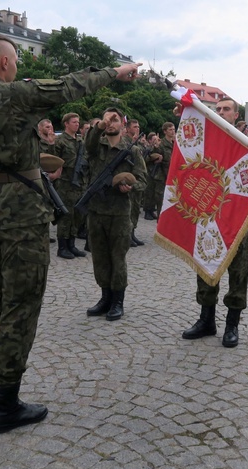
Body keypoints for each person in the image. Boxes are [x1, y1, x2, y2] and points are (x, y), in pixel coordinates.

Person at [0, 33, 141, 433]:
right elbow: (69, 85)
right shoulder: (12, 95)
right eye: (17, 60)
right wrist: (114, 72)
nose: (18, 67)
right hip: (21, 211)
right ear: (5, 64)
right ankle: (5, 403)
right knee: (20, 305)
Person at [181, 98, 248, 349]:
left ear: (236, 115)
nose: (220, 112)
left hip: (236, 218)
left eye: (226, 109)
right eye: (217, 109)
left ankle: (232, 324)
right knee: (206, 267)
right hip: (208, 216)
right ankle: (206, 320)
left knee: (238, 273)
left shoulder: (247, 144)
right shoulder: (205, 142)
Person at [84, 107, 146, 321]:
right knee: (100, 257)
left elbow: (142, 180)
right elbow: (88, 142)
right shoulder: (96, 146)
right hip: (96, 211)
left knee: (117, 258)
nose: (111, 123)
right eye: (107, 120)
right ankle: (105, 297)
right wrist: (100, 123)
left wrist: (130, 186)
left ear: (123, 125)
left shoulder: (132, 150)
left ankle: (118, 301)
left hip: (119, 213)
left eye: (115, 119)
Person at [54, 112, 88, 259]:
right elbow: (54, 160)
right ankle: (62, 247)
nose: (77, 124)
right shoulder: (60, 141)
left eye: (78, 121)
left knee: (77, 215)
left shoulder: (80, 141)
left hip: (79, 183)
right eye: (74, 122)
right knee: (66, 216)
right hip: (65, 183)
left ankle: (72, 245)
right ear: (66, 124)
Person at [146, 122, 174, 220]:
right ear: (165, 131)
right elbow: (151, 157)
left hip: (172, 177)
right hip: (162, 177)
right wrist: (156, 149)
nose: (173, 131)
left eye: (173, 129)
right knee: (161, 204)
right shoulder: (161, 144)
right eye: (170, 129)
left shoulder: (175, 143)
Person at [124, 118, 146, 246]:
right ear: (127, 129)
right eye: (134, 127)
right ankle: (128, 234)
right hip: (129, 179)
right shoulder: (126, 143)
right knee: (130, 209)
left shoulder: (136, 143)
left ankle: (132, 233)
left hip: (137, 179)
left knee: (136, 208)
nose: (137, 128)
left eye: (138, 126)